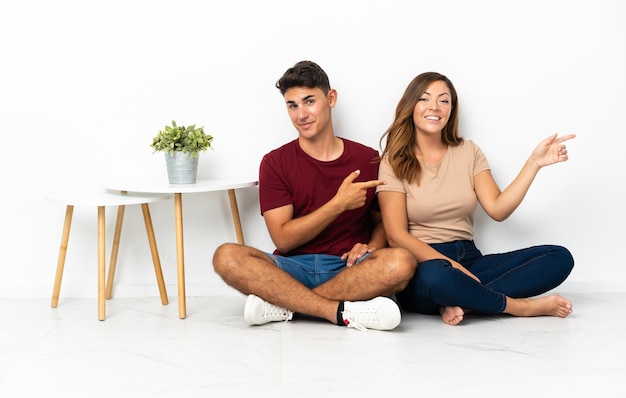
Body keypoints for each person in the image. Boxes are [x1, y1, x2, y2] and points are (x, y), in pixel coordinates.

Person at [212, 60, 416, 331]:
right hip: (291, 269)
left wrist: (374, 245)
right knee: (225, 257)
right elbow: (283, 240)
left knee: (402, 262)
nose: (301, 114)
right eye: (292, 105)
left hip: (350, 268)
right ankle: (338, 311)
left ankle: (286, 306)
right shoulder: (275, 162)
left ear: (331, 98)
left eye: (309, 101)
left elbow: (382, 222)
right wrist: (338, 205)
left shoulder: (367, 158)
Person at [377, 71, 575, 326]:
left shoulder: (468, 152)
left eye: (444, 100)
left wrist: (533, 164)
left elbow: (498, 209)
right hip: (424, 265)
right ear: (411, 106)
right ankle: (517, 307)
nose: (434, 107)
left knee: (559, 257)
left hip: (470, 258)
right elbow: (396, 236)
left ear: (451, 109)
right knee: (438, 277)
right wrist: (449, 266)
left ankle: (466, 304)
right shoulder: (394, 161)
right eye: (425, 99)